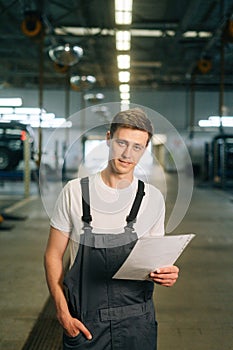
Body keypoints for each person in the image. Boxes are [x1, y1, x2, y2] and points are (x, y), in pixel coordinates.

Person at [44, 107, 179, 350]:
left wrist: (165, 273)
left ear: (145, 149)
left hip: (137, 324)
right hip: (86, 326)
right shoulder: (74, 192)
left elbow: (153, 261)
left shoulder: (153, 198)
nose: (128, 154)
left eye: (137, 147)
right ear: (108, 139)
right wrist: (62, 314)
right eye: (121, 143)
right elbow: (53, 255)